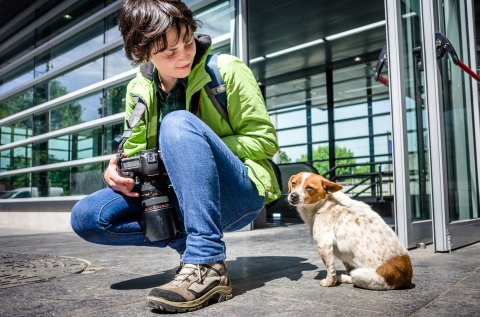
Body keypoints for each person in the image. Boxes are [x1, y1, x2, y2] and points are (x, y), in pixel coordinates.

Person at [70, 0, 280, 313]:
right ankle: (191, 248)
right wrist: (118, 170)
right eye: (169, 52)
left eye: (187, 41)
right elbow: (137, 151)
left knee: (177, 123)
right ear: (143, 52)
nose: (183, 55)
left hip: (237, 194)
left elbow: (264, 141)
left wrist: (199, 146)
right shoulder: (138, 89)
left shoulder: (226, 70)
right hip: (177, 198)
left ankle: (207, 262)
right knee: (88, 217)